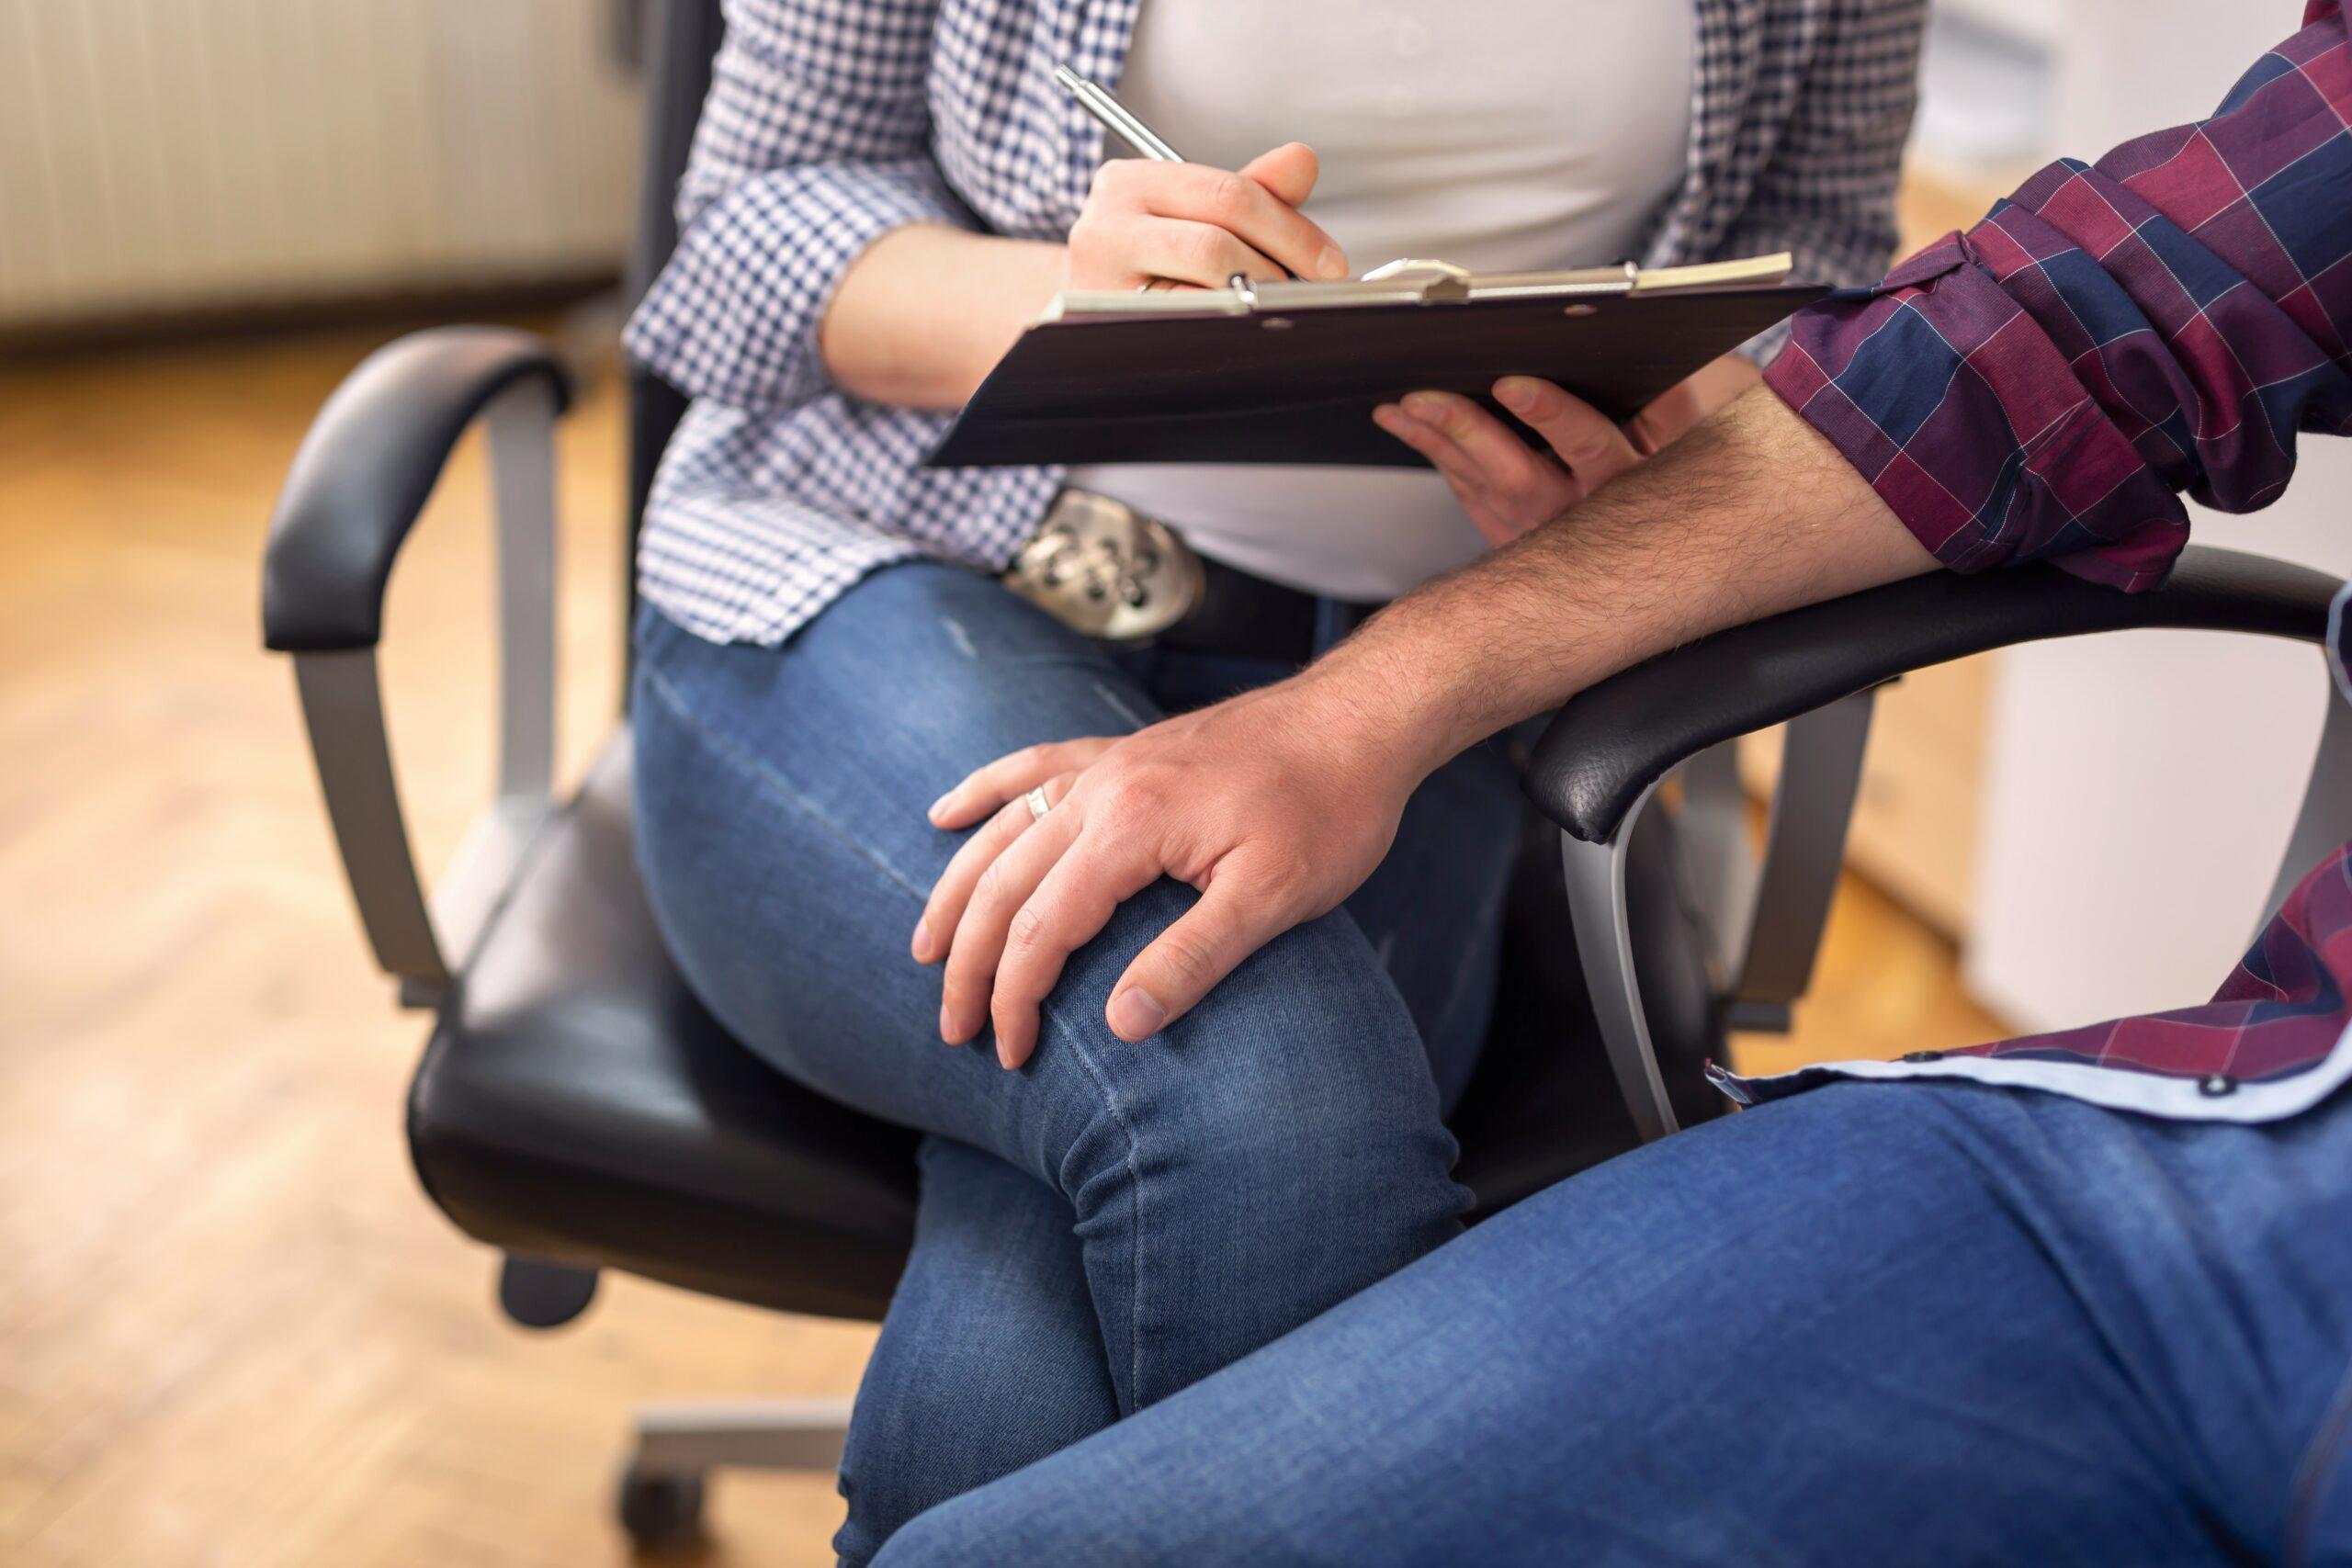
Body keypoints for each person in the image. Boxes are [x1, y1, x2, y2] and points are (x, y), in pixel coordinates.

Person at [862, 4, 2352, 1561]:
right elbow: (2050, 328)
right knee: (1204, 1136)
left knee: (1149, 1211)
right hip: (930, 581)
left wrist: (1679, 424)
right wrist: (1358, 700)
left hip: (1382, 653)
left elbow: (1822, 268)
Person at [622, 0, 1928, 1557]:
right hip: (899, 594)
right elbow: (751, 226)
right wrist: (1065, 299)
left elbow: (1822, 269)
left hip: (1420, 693)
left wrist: (1696, 437)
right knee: (1264, 1097)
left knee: (1028, 1356)